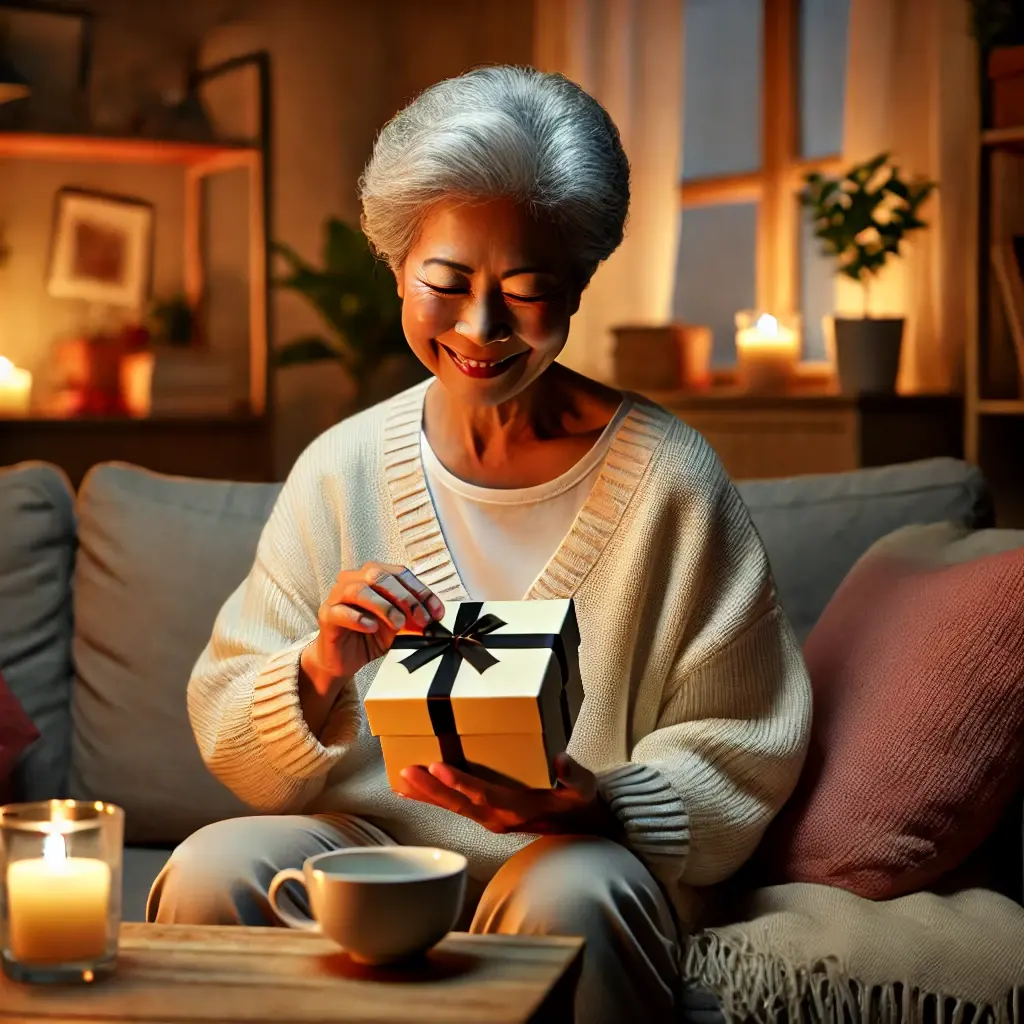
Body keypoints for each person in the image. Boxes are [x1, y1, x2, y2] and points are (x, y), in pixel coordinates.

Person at [148, 65, 812, 1023]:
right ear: (397, 265)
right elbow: (232, 734)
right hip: (370, 851)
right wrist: (321, 666)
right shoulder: (342, 467)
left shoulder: (671, 479)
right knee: (215, 865)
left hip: (571, 857)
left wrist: (602, 806)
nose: (481, 328)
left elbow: (748, 743)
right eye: (446, 284)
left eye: (529, 290)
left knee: (571, 891)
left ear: (580, 280)